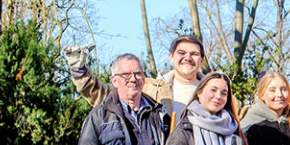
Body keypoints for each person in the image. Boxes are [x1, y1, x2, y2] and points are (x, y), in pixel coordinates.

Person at [64, 35, 237, 118]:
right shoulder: (148, 87)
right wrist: (79, 72)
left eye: (194, 54)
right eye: (182, 53)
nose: (188, 58)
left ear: (201, 60)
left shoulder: (217, 95)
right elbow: (105, 95)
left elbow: (243, 117)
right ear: (171, 57)